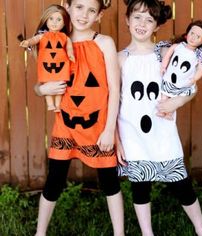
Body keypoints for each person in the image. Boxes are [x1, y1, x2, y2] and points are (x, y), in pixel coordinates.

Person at [116, 0, 202, 236]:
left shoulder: (166, 52)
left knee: (181, 182)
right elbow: (113, 101)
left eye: (149, 19)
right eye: (137, 17)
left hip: (163, 129)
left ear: (157, 25)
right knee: (140, 185)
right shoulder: (120, 58)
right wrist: (117, 139)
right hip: (132, 132)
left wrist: (176, 102)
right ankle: (147, 232)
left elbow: (190, 86)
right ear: (127, 19)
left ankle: (201, 227)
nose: (142, 24)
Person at [33, 1, 124, 235]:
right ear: (67, 6)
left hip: (98, 124)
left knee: (109, 180)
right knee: (55, 178)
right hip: (66, 123)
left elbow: (114, 89)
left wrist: (108, 129)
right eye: (79, 7)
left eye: (91, 10)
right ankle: (40, 232)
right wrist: (42, 90)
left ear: (100, 14)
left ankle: (119, 233)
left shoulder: (104, 43)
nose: (84, 15)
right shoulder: (55, 41)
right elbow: (42, 81)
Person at [20, 4, 75, 112]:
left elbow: (69, 47)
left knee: (60, 86)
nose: (54, 22)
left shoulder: (64, 37)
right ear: (46, 20)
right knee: (46, 84)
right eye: (51, 19)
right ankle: (50, 104)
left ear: (64, 23)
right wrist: (27, 42)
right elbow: (33, 40)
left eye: (59, 19)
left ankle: (58, 105)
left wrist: (70, 54)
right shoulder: (43, 36)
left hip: (61, 64)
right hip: (46, 65)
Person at [157, 20, 202, 119]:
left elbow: (201, 69)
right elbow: (167, 56)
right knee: (164, 94)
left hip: (182, 81)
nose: (193, 37)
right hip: (169, 76)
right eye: (192, 33)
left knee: (174, 99)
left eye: (198, 36)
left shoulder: (197, 55)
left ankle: (169, 113)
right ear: (187, 33)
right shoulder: (177, 46)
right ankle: (161, 111)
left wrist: (195, 78)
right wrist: (163, 66)